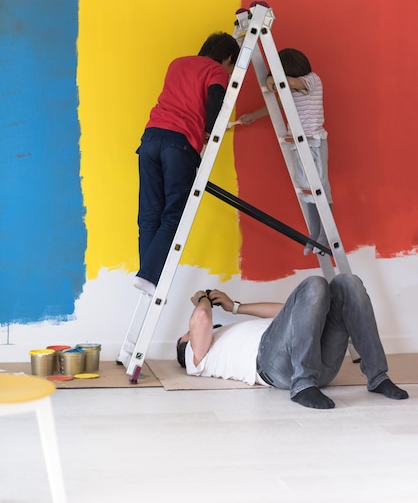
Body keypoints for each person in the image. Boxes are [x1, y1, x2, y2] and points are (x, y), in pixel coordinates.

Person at [176, 274, 409, 409]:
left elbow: (289, 310)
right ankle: (303, 385)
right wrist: (202, 299)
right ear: (186, 341)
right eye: (186, 333)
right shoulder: (195, 357)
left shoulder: (230, 331)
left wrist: (236, 307)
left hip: (315, 362)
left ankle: (378, 376)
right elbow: (202, 317)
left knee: (348, 283)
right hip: (271, 365)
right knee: (314, 283)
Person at [134, 32, 240, 296]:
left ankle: (146, 275)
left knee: (149, 213)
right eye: (231, 64)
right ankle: (148, 275)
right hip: (178, 144)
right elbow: (216, 99)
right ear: (228, 57)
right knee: (173, 214)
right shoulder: (217, 70)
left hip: (150, 138)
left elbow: (181, 97)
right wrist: (211, 129)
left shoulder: (178, 63)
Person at [237, 48, 331, 255]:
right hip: (298, 143)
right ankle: (315, 233)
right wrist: (253, 115)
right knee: (305, 189)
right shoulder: (290, 89)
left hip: (314, 141)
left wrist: (274, 78)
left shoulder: (312, 80)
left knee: (319, 187)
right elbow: (276, 99)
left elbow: (290, 83)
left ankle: (325, 233)